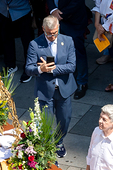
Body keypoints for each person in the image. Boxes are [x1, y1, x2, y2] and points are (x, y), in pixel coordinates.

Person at [25, 15, 76, 156]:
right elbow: (28, 69)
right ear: (43, 29)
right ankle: (47, 148)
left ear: (58, 27)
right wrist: (40, 69)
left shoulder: (68, 41)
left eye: (54, 33)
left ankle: (59, 142)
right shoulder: (35, 44)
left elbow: (72, 66)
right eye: (48, 34)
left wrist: (52, 69)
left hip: (63, 90)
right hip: (45, 91)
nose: (52, 37)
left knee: (64, 120)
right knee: (46, 123)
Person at [44, 0, 89, 98]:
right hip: (56, 17)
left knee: (77, 50)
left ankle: (82, 82)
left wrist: (62, 14)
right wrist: (53, 10)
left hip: (73, 20)